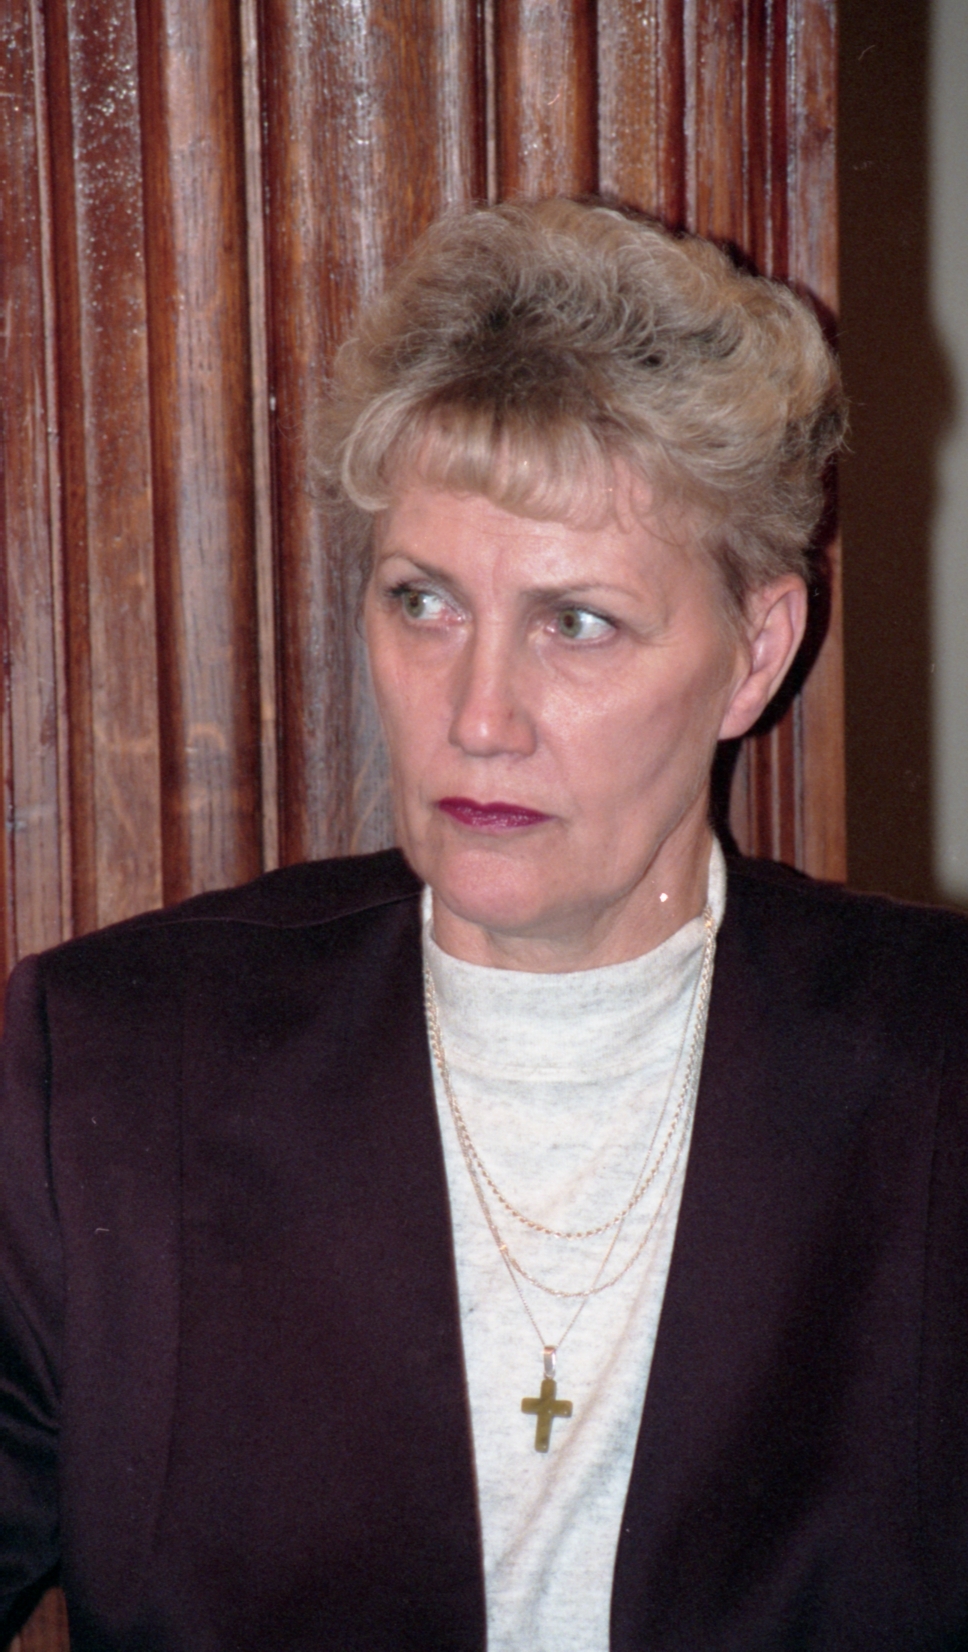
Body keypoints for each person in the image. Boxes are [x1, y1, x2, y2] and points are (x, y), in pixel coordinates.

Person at [1, 198, 966, 1652]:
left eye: (576, 622)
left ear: (755, 652)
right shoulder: (117, 1066)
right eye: (425, 603)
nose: (479, 717)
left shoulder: (941, 1064)